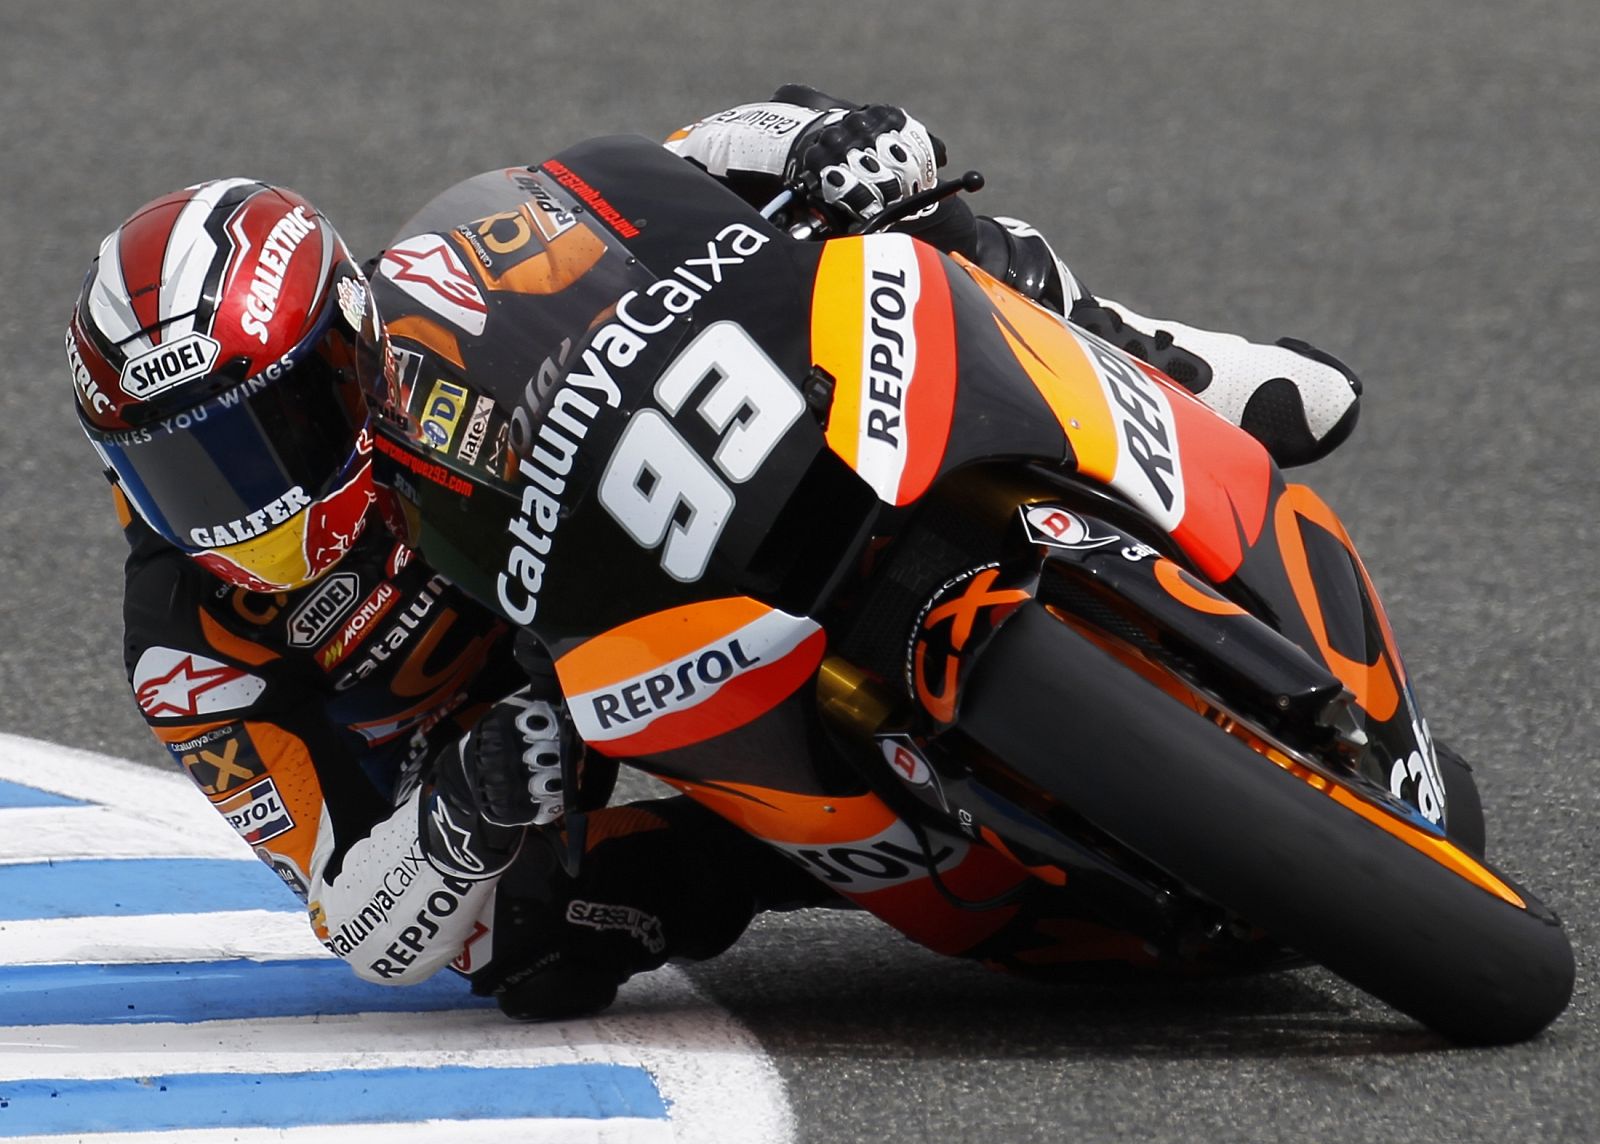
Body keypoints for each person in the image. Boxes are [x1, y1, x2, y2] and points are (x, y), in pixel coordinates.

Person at [67, 87, 1361, 1020]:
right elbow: (357, 921)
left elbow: (650, 178)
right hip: (568, 731)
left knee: (901, 228)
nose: (250, 496)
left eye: (270, 429)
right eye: (184, 465)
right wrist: (462, 807)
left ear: (346, 345)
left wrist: (814, 143)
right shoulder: (193, 653)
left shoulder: (443, 297)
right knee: (525, 954)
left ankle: (1162, 365)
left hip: (666, 507)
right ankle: (865, 847)